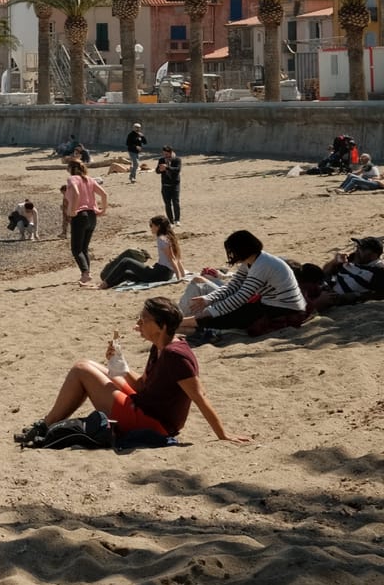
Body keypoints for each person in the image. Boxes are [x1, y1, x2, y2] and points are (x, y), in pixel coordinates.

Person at [16, 297, 248, 446]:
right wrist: (121, 366)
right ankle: (47, 425)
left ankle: (45, 425)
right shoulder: (160, 347)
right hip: (144, 405)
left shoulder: (175, 355)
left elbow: (199, 395)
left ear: (162, 326)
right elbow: (141, 386)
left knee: (81, 370)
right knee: (86, 364)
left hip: (154, 422)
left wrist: (223, 434)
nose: (138, 325)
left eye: (143, 321)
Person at [183, 230, 309, 342]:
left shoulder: (262, 265)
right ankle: (186, 323)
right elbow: (233, 285)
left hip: (284, 307)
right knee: (226, 313)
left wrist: (209, 312)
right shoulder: (252, 261)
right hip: (270, 303)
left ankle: (184, 323)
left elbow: (241, 296)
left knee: (228, 316)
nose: (231, 255)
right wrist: (208, 299)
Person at [60, 159, 107, 286]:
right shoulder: (89, 179)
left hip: (80, 216)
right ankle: (86, 274)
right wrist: (103, 210)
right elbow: (104, 194)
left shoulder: (72, 179)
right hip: (92, 216)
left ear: (72, 169)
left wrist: (73, 210)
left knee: (76, 249)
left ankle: (85, 274)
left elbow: (76, 193)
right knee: (84, 248)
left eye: (68, 168)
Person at [156, 146, 183, 223]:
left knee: (176, 202)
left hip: (175, 185)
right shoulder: (161, 160)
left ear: (171, 152)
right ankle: (171, 221)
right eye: (164, 154)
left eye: (166, 154)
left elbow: (177, 170)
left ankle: (177, 220)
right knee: (167, 204)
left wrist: (167, 167)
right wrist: (160, 169)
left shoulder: (177, 159)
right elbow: (157, 171)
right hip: (165, 185)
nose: (165, 155)